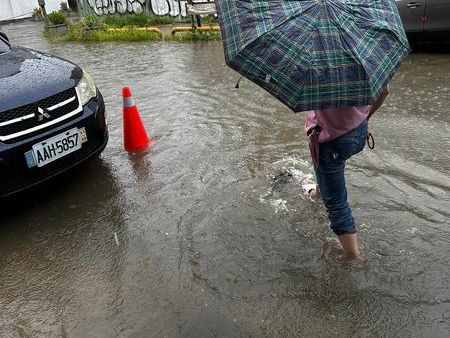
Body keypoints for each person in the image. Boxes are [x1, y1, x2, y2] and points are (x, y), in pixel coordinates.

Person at [303, 86, 389, 260]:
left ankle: (353, 256)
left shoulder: (315, 70)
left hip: (330, 140)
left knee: (336, 204)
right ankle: (317, 193)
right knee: (328, 172)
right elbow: (384, 91)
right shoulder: (361, 61)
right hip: (358, 131)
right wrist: (364, 118)